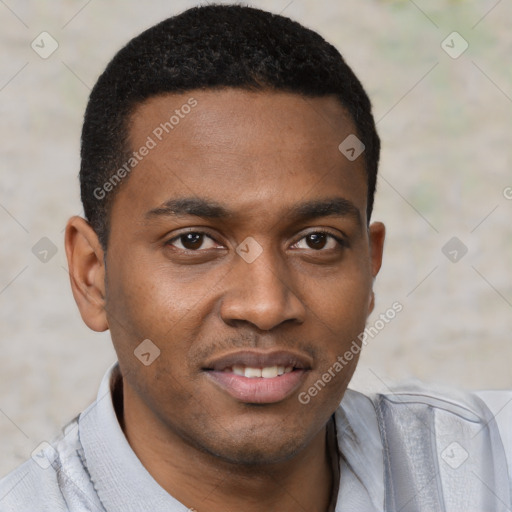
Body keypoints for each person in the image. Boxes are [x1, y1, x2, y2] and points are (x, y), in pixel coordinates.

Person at [1, 4, 511, 511]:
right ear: (92, 275)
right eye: (194, 241)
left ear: (370, 265)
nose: (266, 305)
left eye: (316, 241)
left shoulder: (488, 468)